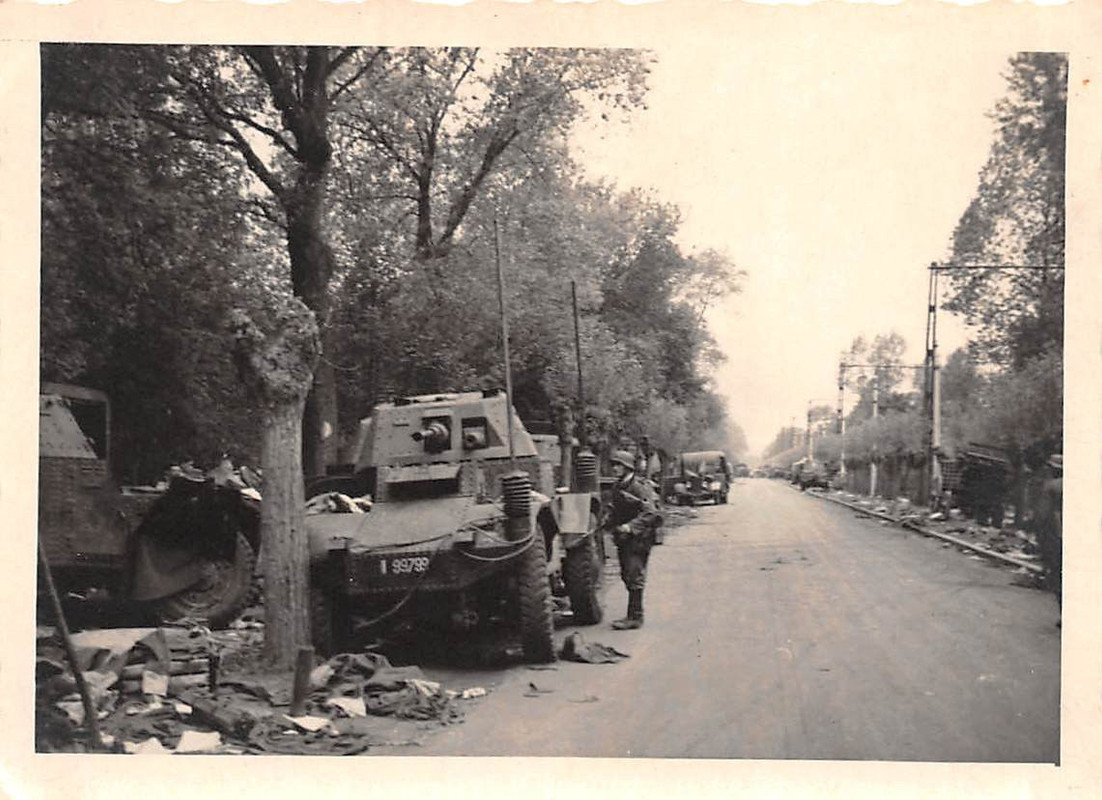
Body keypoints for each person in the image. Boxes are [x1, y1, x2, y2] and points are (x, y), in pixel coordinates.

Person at [604, 449, 663, 630]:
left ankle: (635, 617)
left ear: (627, 466)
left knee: (634, 574)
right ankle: (633, 614)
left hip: (639, 538)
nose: (614, 468)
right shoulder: (618, 486)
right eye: (613, 465)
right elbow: (616, 510)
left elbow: (651, 513)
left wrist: (630, 527)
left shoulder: (639, 486)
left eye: (618, 465)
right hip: (624, 538)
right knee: (626, 575)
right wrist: (607, 522)